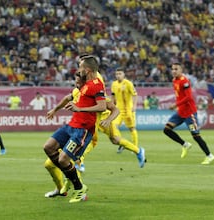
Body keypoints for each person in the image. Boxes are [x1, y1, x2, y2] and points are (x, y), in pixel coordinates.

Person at [44, 71, 146, 198]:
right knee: (50, 163)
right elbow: (67, 98)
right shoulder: (78, 91)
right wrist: (55, 109)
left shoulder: (98, 96)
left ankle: (80, 191)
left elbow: (111, 108)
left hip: (88, 136)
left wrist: (108, 119)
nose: (76, 84)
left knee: (113, 139)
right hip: (75, 131)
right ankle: (61, 189)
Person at [43, 56, 107, 203]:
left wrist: (79, 108)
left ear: (87, 70)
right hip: (71, 125)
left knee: (63, 159)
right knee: (48, 147)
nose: (78, 70)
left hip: (82, 130)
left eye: (80, 67)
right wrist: (55, 109)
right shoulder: (84, 85)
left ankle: (79, 188)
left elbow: (103, 106)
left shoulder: (96, 85)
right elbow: (69, 97)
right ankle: (70, 175)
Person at [163, 62, 214, 164]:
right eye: (172, 69)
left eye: (176, 69)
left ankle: (209, 155)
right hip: (180, 112)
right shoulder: (174, 80)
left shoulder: (185, 81)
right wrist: (178, 106)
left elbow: (188, 97)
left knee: (196, 136)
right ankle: (185, 144)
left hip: (189, 113)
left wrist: (175, 105)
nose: (174, 71)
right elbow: (180, 96)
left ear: (181, 70)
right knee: (166, 130)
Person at [111, 68, 139, 153]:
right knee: (114, 126)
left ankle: (135, 147)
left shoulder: (128, 83)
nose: (118, 75)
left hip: (128, 110)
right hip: (118, 110)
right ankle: (122, 144)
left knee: (132, 128)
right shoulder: (114, 84)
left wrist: (134, 106)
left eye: (120, 73)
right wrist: (112, 106)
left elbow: (135, 95)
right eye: (117, 74)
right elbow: (113, 96)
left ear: (124, 75)